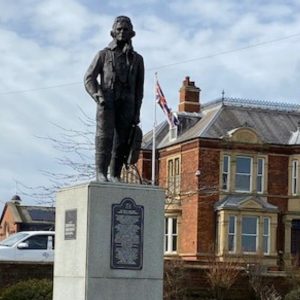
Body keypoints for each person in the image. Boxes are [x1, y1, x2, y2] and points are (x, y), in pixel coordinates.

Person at [84, 16, 144, 182]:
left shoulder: (138, 59)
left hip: (128, 103)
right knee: (104, 137)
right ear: (113, 32)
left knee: (121, 141)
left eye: (125, 29)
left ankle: (115, 174)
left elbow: (139, 89)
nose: (122, 32)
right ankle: (101, 173)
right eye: (119, 29)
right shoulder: (103, 55)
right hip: (107, 101)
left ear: (131, 33)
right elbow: (89, 78)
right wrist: (98, 95)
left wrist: (137, 111)